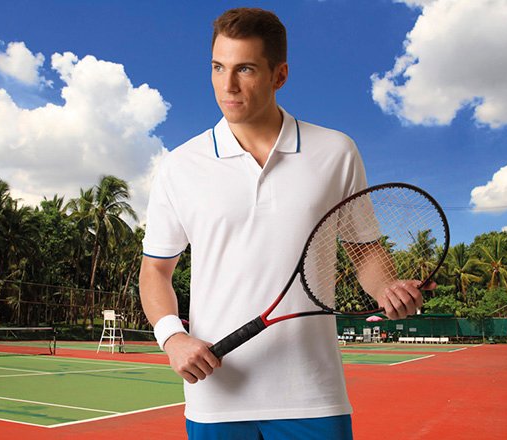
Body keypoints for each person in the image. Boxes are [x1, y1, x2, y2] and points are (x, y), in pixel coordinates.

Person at [139, 8, 428, 439]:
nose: (227, 85)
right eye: (218, 67)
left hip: (313, 395)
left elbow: (365, 251)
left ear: (280, 75)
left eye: (245, 69)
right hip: (216, 397)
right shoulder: (179, 166)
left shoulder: (336, 152)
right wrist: (172, 337)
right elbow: (155, 271)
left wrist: (388, 288)